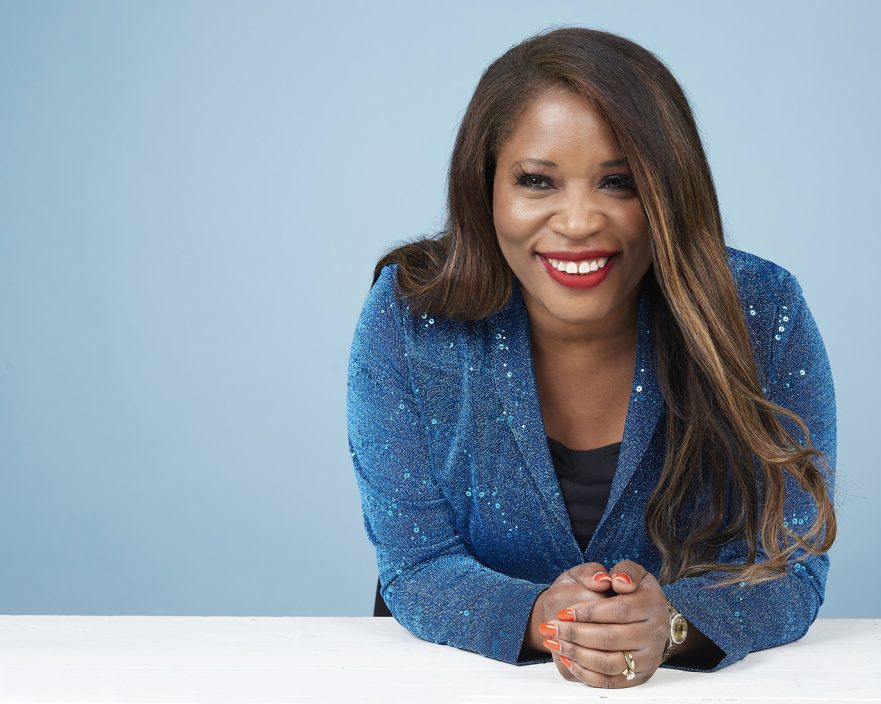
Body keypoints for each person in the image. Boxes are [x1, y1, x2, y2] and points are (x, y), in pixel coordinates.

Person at [346, 26, 837, 689]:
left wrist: (671, 626)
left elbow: (789, 567)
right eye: (537, 181)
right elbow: (418, 565)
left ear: (669, 193)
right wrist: (544, 619)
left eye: (619, 182)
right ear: (486, 187)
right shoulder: (411, 316)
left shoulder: (760, 311)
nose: (578, 221)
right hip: (451, 683)